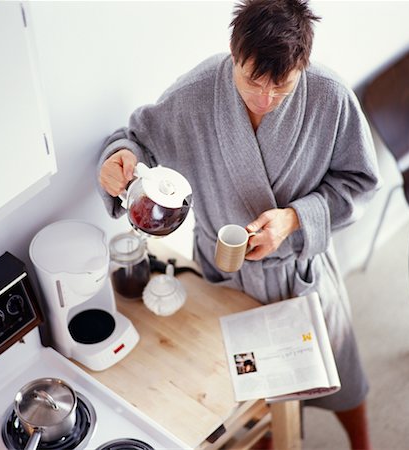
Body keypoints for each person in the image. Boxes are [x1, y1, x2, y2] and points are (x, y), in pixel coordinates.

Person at [97, 1, 380, 448]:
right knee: (253, 393)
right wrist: (120, 160)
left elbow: (361, 181)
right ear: (234, 52)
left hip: (298, 271)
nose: (264, 99)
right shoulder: (196, 93)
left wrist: (292, 219)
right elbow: (136, 141)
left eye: (281, 87)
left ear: (302, 67)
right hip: (226, 277)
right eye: (252, 81)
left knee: (341, 370)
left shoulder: (331, 97)